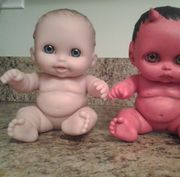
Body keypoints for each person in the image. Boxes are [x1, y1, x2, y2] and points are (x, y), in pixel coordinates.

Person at [108, 6, 180, 146]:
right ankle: (129, 126)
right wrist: (121, 89)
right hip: (143, 119)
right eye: (152, 57)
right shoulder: (140, 80)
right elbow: (128, 85)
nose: (167, 67)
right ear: (132, 54)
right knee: (127, 113)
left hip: (177, 120)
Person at [0, 9, 109, 142]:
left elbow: (93, 87)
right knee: (26, 111)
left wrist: (100, 88)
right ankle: (29, 127)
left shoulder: (84, 79)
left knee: (90, 114)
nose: (61, 58)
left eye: (75, 52)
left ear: (92, 60)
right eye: (49, 49)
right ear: (33, 54)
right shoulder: (40, 77)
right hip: (43, 116)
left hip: (74, 113)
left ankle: (75, 124)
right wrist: (18, 80)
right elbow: (26, 84)